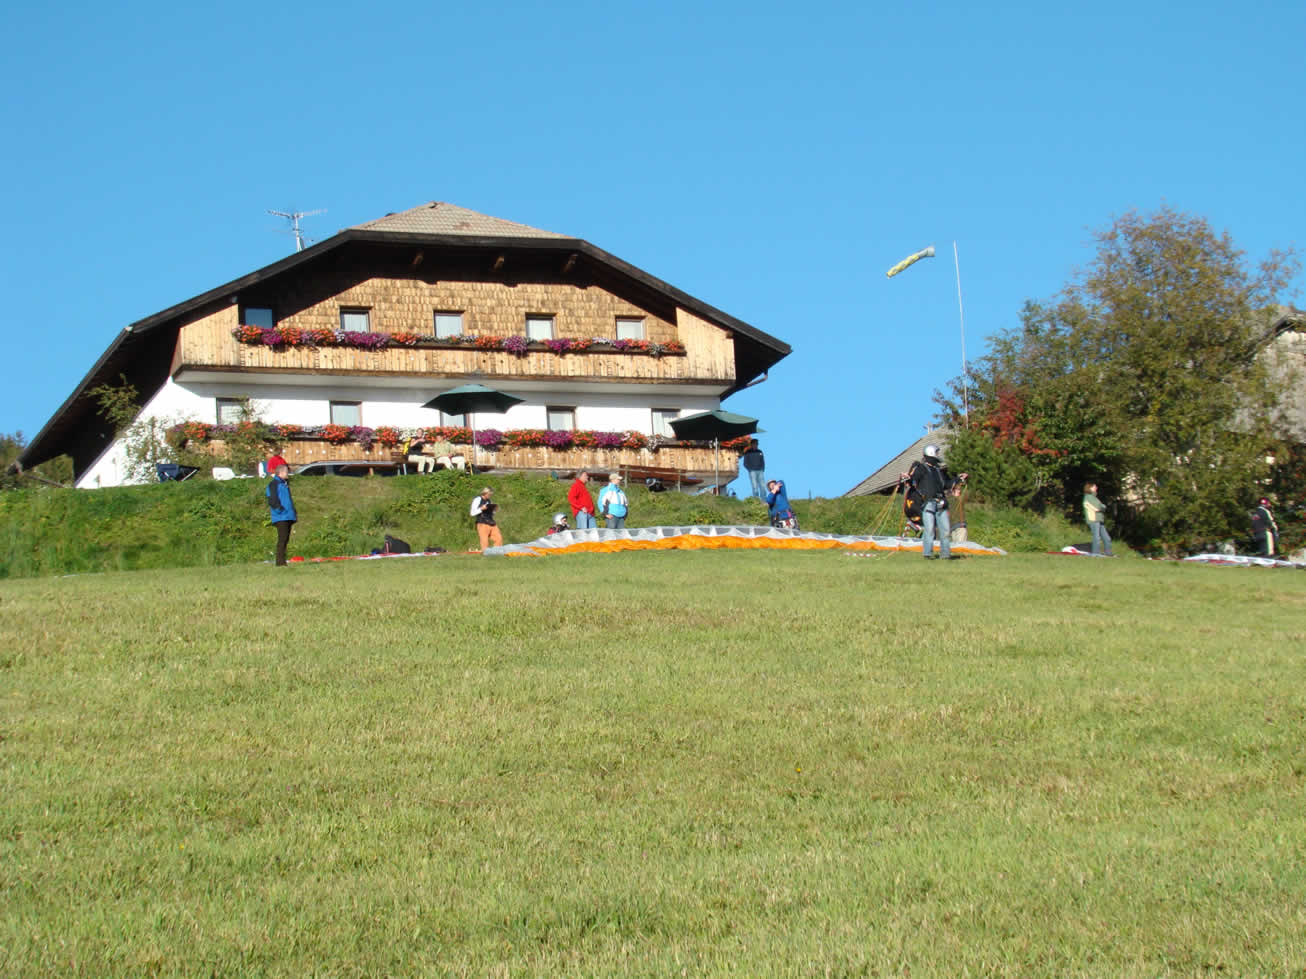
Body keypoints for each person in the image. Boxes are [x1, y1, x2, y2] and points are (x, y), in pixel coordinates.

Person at [904, 444, 967, 560]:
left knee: (945, 530)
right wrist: (908, 478)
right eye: (937, 453)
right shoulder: (921, 468)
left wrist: (958, 478)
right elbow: (913, 480)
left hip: (941, 503)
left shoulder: (938, 471)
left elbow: (946, 485)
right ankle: (927, 554)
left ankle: (945, 555)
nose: (938, 455)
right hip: (929, 503)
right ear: (931, 453)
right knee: (929, 529)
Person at [265, 462, 297, 566]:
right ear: (281, 472)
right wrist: (280, 510)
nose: (288, 474)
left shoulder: (285, 484)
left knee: (286, 539)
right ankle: (280, 562)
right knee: (282, 539)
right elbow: (272, 500)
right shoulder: (274, 484)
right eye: (286, 472)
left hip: (288, 516)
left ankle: (282, 560)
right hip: (281, 516)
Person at [1082, 481, 1114, 557]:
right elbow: (1098, 507)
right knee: (1096, 537)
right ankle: (1096, 553)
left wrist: (1102, 506)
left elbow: (1102, 507)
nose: (1096, 488)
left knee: (1106, 538)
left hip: (1099, 520)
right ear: (1090, 488)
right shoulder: (1088, 497)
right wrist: (1102, 506)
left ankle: (1108, 553)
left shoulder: (1094, 497)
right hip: (1093, 519)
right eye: (1094, 486)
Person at [469, 486, 503, 551]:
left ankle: (497, 552)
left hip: (491, 522)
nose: (490, 496)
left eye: (491, 494)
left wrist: (494, 510)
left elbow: (491, 513)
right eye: (489, 494)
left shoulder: (489, 500)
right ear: (485, 493)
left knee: (499, 538)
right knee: (484, 542)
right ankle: (485, 553)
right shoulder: (477, 499)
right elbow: (472, 513)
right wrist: (481, 509)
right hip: (482, 523)